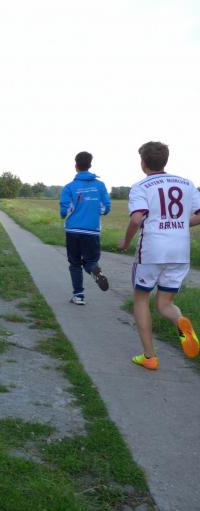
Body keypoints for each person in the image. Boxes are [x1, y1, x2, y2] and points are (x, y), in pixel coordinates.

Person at [118, 141, 200, 370]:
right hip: (180, 252)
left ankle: (149, 357)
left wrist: (126, 241)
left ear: (143, 162)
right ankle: (179, 320)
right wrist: (180, 224)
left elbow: (136, 219)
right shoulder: (186, 183)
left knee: (141, 299)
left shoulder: (141, 187)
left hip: (152, 251)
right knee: (165, 303)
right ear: (165, 160)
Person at [59, 151, 111, 305]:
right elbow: (105, 208)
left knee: (75, 264)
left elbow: (64, 211)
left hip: (73, 230)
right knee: (90, 261)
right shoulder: (100, 186)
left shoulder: (69, 187)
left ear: (76, 166)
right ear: (90, 165)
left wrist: (64, 214)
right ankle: (95, 270)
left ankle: (79, 296)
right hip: (92, 231)